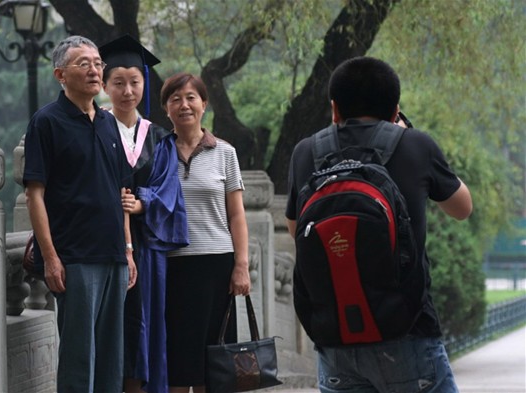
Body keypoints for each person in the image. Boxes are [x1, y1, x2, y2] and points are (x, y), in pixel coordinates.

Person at [285, 56, 472, 393]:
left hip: (335, 335)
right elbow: (462, 208)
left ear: (334, 110)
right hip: (407, 331)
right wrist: (411, 140)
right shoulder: (416, 144)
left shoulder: (306, 152)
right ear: (394, 109)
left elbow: (295, 229)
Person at [23, 35, 137, 393]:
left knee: (110, 359)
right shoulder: (47, 122)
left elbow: (121, 192)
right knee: (78, 359)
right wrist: (51, 259)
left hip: (113, 256)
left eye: (98, 63)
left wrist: (128, 249)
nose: (94, 69)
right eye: (83, 63)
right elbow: (34, 194)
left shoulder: (108, 124)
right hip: (74, 258)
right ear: (61, 74)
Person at [98, 35, 188, 393]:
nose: (127, 90)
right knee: (112, 327)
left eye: (135, 82)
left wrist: (144, 202)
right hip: (106, 243)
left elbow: (169, 187)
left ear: (144, 84)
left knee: (146, 325)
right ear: (105, 85)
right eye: (118, 82)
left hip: (147, 249)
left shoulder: (160, 137)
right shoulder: (96, 129)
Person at [160, 72, 251, 393]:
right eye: (175, 99)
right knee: (177, 360)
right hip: (172, 266)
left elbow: (237, 214)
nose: (183, 105)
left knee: (215, 360)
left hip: (217, 264)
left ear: (204, 104)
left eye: (190, 98)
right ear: (166, 109)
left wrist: (242, 265)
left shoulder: (225, 152)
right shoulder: (157, 152)